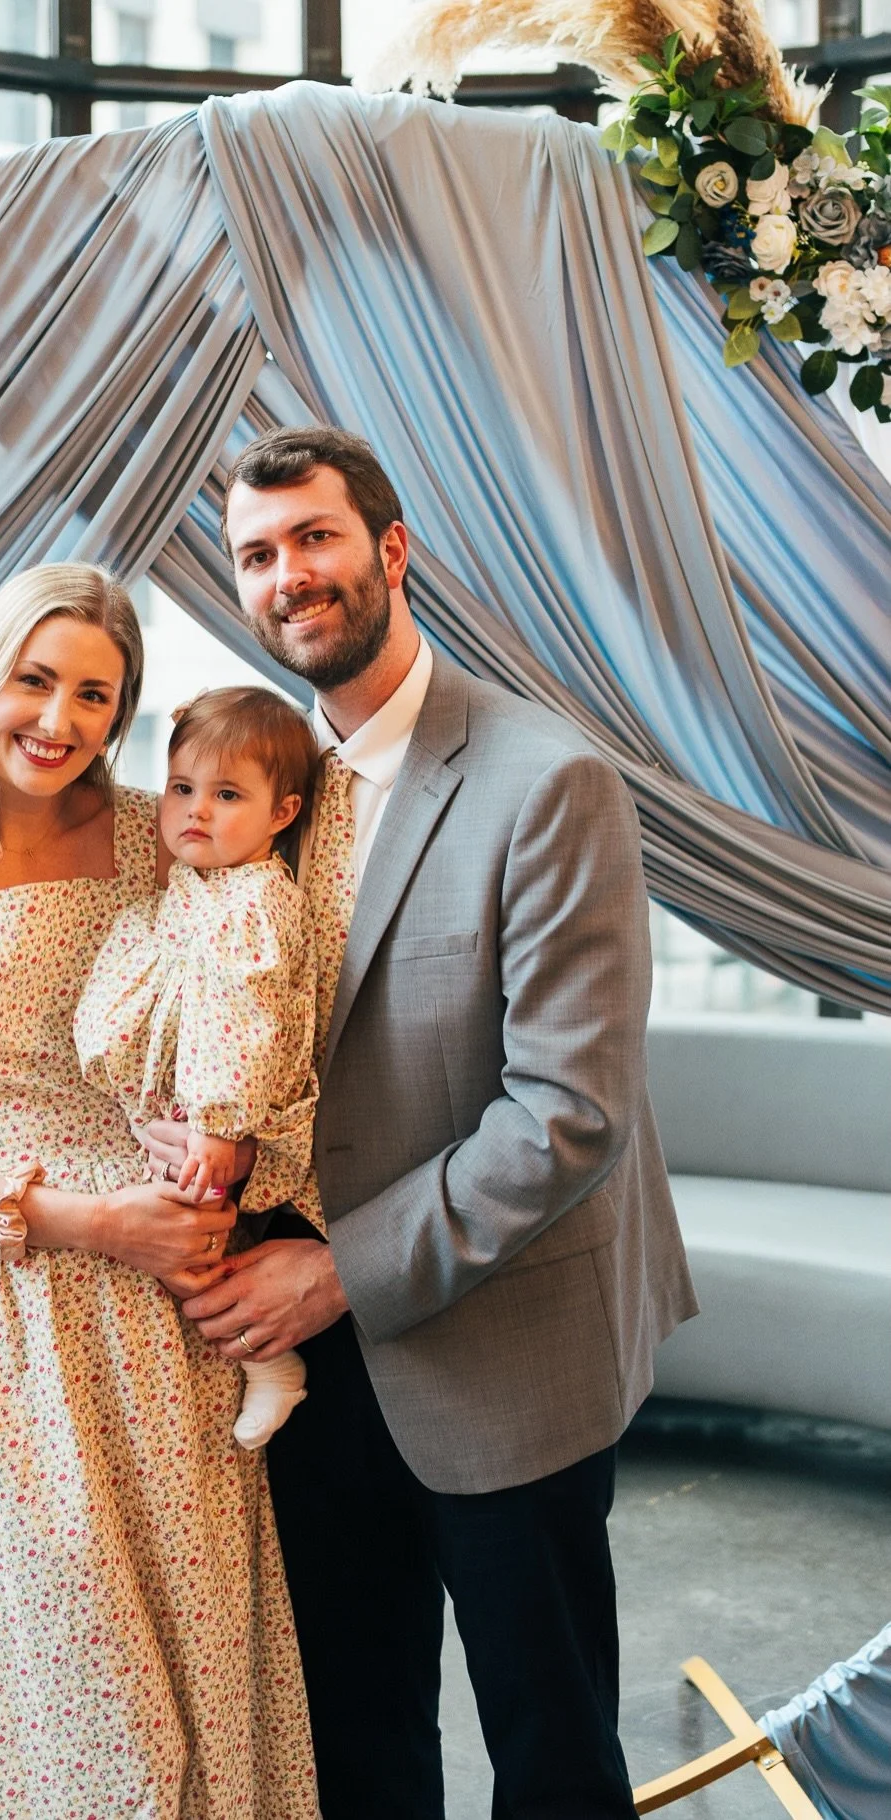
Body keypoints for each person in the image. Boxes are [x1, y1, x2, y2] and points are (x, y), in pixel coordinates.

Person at [139, 428, 699, 1819]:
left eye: (314, 538)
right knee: (355, 1746)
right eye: (256, 554)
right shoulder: (258, 789)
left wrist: (337, 1269)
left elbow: (568, 1112)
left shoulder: (547, 779)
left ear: (390, 550)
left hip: (503, 1351)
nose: (286, 575)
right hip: (307, 1379)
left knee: (553, 1754)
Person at [0, 564, 317, 1820]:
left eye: (94, 694)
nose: (58, 719)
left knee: (191, 1676)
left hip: (167, 1329)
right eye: (34, 680)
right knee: (55, 1688)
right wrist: (90, 1222)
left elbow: (267, 1005)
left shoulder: (171, 834)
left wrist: (234, 1149)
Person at [74, 685, 324, 1449]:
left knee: (189, 1236)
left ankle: (270, 1361)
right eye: (181, 788)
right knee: (166, 1231)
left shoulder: (256, 900)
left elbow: (245, 1014)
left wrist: (219, 1124)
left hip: (228, 1113)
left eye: (226, 795)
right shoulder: (194, 885)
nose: (195, 811)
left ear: (281, 813)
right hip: (183, 1109)